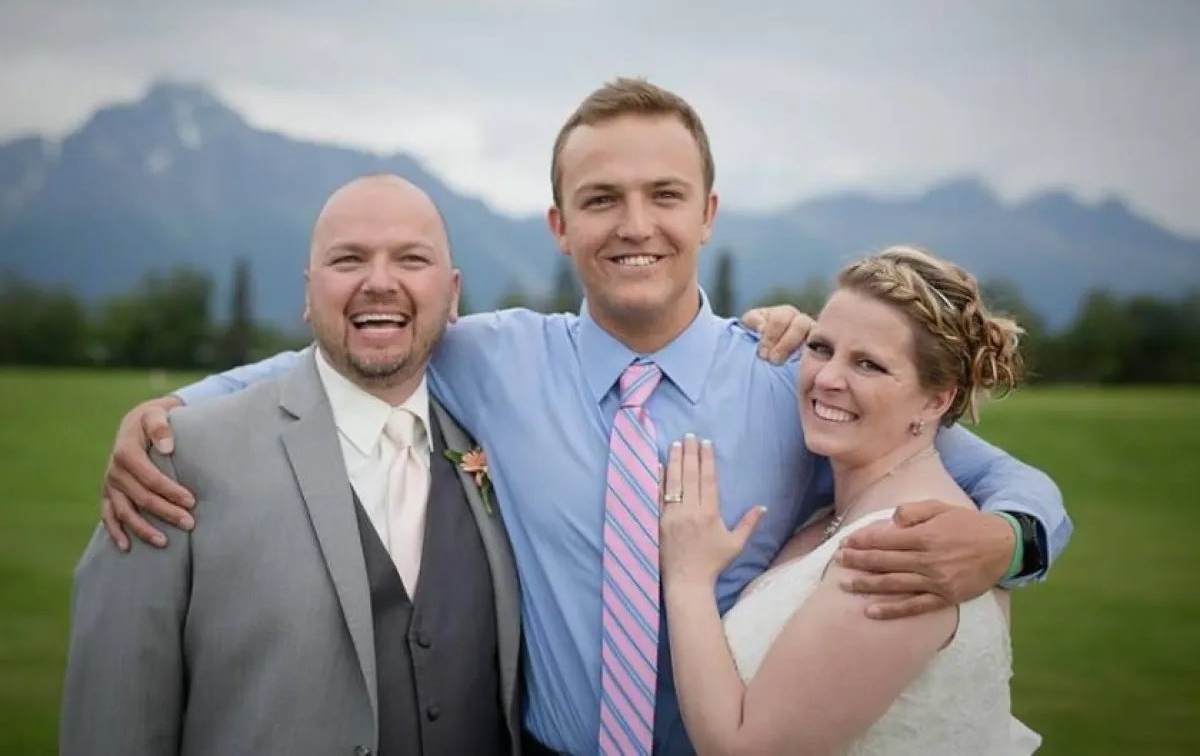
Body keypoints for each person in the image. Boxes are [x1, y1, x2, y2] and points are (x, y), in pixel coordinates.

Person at [94, 78, 1072, 756]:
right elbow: (346, 352)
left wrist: (1012, 541)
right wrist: (175, 408)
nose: (634, 224)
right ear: (560, 224)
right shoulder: (493, 360)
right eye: (601, 199)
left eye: (664, 195)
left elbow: (982, 471)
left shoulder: (796, 380)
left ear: (708, 213)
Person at [60, 175, 524, 756]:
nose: (380, 282)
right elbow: (113, 719)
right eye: (348, 259)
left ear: (452, 293)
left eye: (412, 259)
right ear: (309, 292)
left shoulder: (499, 448)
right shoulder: (174, 464)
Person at [659, 246, 1045, 754]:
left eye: (869, 364)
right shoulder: (832, 517)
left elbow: (744, 750)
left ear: (936, 400)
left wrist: (687, 579)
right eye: (821, 348)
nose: (827, 378)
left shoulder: (907, 550)